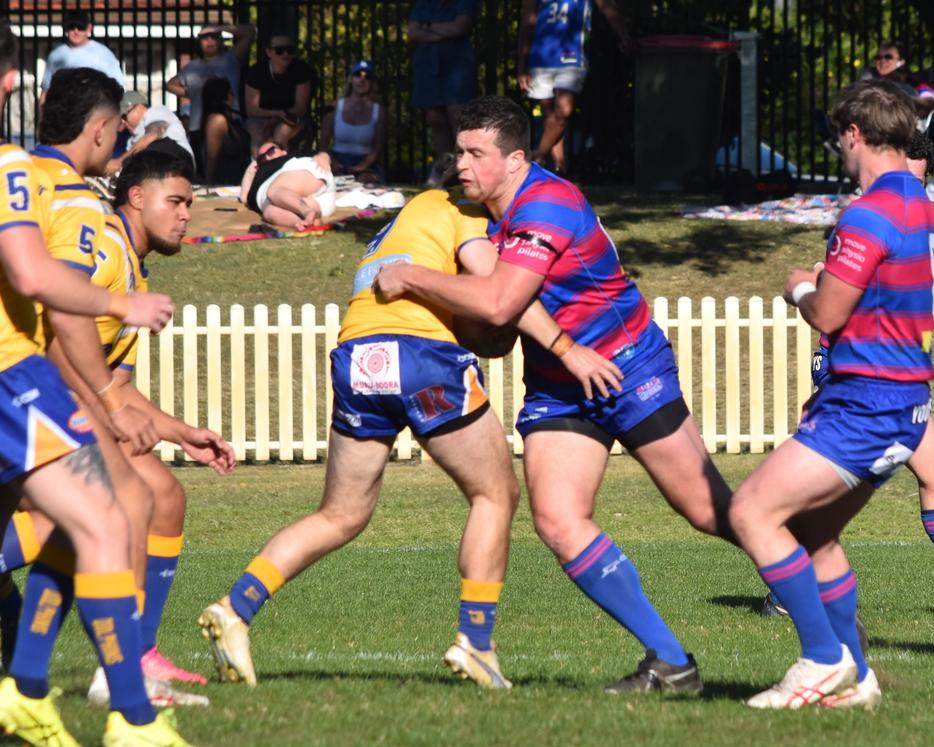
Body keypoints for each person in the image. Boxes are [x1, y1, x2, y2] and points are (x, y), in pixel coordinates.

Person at [375, 95, 736, 694]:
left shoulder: (547, 201)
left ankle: (818, 588)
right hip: (559, 387)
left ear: (515, 159)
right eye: (457, 151)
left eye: (475, 153)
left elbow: (499, 303)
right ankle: (672, 662)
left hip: (626, 366)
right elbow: (496, 331)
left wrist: (410, 275)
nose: (461, 164)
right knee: (558, 520)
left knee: (705, 510)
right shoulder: (484, 224)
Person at [197, 186, 622, 689]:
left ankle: (236, 607)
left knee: (339, 514)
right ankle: (476, 643)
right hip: (420, 358)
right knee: (495, 495)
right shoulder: (462, 210)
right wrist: (564, 345)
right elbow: (500, 292)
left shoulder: (397, 225)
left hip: (356, 357)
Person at [0, 32, 205, 747]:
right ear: (98, 132)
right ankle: (126, 710)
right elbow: (52, 301)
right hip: (19, 376)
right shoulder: (46, 190)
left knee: (83, 522)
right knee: (111, 516)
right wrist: (115, 321)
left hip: (25, 376)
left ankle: (28, 692)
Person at [726, 79, 934, 710]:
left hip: (866, 402)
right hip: (902, 401)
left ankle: (821, 659)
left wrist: (799, 286)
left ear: (853, 134)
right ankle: (861, 678)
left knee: (752, 513)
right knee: (815, 535)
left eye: (838, 139)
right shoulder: (920, 204)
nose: (840, 151)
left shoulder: (868, 212)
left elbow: (828, 313)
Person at [2, 150, 237, 709]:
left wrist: (180, 431)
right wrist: (105, 407)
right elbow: (62, 330)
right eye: (175, 201)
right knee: (125, 502)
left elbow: (113, 377)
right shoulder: (103, 247)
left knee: (151, 498)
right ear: (136, 197)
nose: (186, 215)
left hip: (38, 391)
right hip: (25, 388)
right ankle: (121, 674)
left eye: (190, 203)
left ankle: (105, 666)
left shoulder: (130, 265)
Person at [765, 130, 934, 621]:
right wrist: (807, 302)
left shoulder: (913, 216)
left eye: (922, 184)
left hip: (896, 380)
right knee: (832, 487)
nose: (914, 192)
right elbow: (831, 305)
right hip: (862, 378)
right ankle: (788, 594)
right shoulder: (870, 218)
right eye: (910, 179)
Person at [517, 0, 633, 174]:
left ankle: (537, 157)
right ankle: (559, 168)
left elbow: (608, 7)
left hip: (572, 56)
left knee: (563, 111)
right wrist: (521, 65)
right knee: (550, 116)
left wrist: (624, 36)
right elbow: (528, 20)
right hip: (541, 56)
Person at [408, 0, 477, 186]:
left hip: (456, 65)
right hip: (428, 66)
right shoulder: (423, 4)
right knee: (435, 119)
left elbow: (460, 27)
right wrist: (445, 31)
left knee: (459, 120)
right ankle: (443, 168)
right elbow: (413, 32)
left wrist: (428, 27)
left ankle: (463, 168)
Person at [166, 22, 255, 152]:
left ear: (220, 40)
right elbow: (170, 85)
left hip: (229, 123)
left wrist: (220, 28)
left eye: (214, 36)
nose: (209, 41)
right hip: (198, 126)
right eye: (205, 37)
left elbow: (250, 32)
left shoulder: (230, 58)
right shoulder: (192, 67)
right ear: (199, 42)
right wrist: (192, 93)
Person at [244, 34, 316, 155]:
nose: (285, 54)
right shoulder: (256, 72)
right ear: (268, 52)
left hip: (292, 117)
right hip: (260, 118)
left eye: (290, 50)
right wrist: (276, 114)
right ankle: (258, 169)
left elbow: (300, 108)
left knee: (281, 133)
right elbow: (252, 110)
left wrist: (278, 118)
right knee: (258, 135)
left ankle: (279, 169)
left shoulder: (302, 70)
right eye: (279, 50)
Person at [240, 142, 336, 230]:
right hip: (319, 204)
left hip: (307, 175)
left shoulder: (294, 156)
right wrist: (251, 168)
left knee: (275, 191)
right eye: (261, 158)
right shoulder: (258, 173)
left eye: (271, 151)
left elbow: (321, 154)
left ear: (283, 151)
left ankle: (307, 211)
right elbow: (244, 197)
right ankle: (305, 224)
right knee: (269, 212)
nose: (267, 158)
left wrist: (325, 156)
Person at [39, 9, 124, 108]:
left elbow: (118, 89)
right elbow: (46, 91)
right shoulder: (56, 55)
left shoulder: (104, 54)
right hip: (64, 113)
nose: (76, 31)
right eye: (71, 27)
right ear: (66, 29)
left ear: (89, 28)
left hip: (94, 112)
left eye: (80, 27)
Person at [321, 60, 386, 183]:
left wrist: (361, 167)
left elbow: (377, 147)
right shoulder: (335, 107)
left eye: (367, 77)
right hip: (337, 161)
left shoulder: (379, 111)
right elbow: (323, 143)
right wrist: (334, 163)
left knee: (367, 182)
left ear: (372, 82)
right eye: (358, 75)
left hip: (366, 164)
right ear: (351, 79)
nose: (362, 80)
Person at [104, 90, 194, 176]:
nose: (123, 122)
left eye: (124, 116)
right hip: (154, 167)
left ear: (139, 107)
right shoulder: (130, 141)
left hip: (176, 156)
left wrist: (120, 161)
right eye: (120, 119)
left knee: (153, 146)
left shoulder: (155, 112)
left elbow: (154, 135)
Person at [200, 76, 250, 184]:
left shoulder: (230, 119)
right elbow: (212, 157)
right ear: (224, 96)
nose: (233, 96)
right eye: (230, 93)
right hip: (225, 181)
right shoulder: (218, 120)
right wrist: (209, 185)